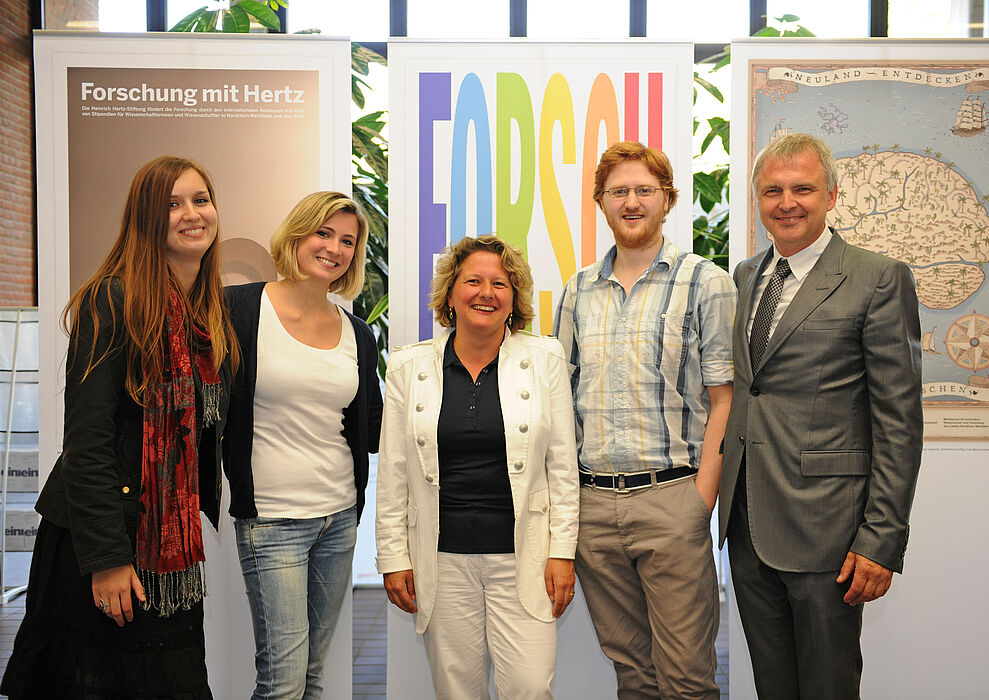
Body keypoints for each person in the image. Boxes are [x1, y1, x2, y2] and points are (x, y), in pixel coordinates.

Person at [1, 155, 237, 698]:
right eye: (172, 204)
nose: (192, 214)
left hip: (165, 546)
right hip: (105, 543)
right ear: (145, 219)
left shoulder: (202, 313)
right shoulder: (113, 299)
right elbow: (86, 443)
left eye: (200, 200)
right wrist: (106, 560)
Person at [719, 132, 923, 699]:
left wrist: (881, 538)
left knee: (829, 686)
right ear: (758, 200)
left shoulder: (878, 278)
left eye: (802, 189)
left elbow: (899, 423)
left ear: (832, 195)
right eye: (772, 191)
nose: (787, 202)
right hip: (748, 518)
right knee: (773, 685)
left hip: (829, 529)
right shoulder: (744, 276)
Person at [553, 141, 735, 699]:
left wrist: (700, 497)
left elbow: (725, 397)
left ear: (668, 200)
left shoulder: (706, 281)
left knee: (686, 679)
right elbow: (561, 396)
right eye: (619, 192)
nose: (631, 202)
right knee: (632, 674)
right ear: (601, 204)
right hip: (595, 510)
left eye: (644, 191)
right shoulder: (577, 289)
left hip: (672, 499)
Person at [376, 234, 578, 700]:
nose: (486, 292)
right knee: (456, 692)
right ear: (450, 294)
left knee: (530, 687)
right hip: (441, 559)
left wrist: (563, 551)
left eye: (500, 284)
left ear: (513, 299)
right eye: (473, 281)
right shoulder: (410, 368)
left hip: (524, 557)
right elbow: (394, 472)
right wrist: (393, 557)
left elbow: (563, 468)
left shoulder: (544, 359)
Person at [223, 191, 382, 699]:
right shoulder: (240, 309)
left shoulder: (357, 333)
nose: (335, 248)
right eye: (324, 233)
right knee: (283, 682)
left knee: (311, 676)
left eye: (348, 242)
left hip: (338, 518)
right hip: (271, 521)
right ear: (297, 235)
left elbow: (371, 425)